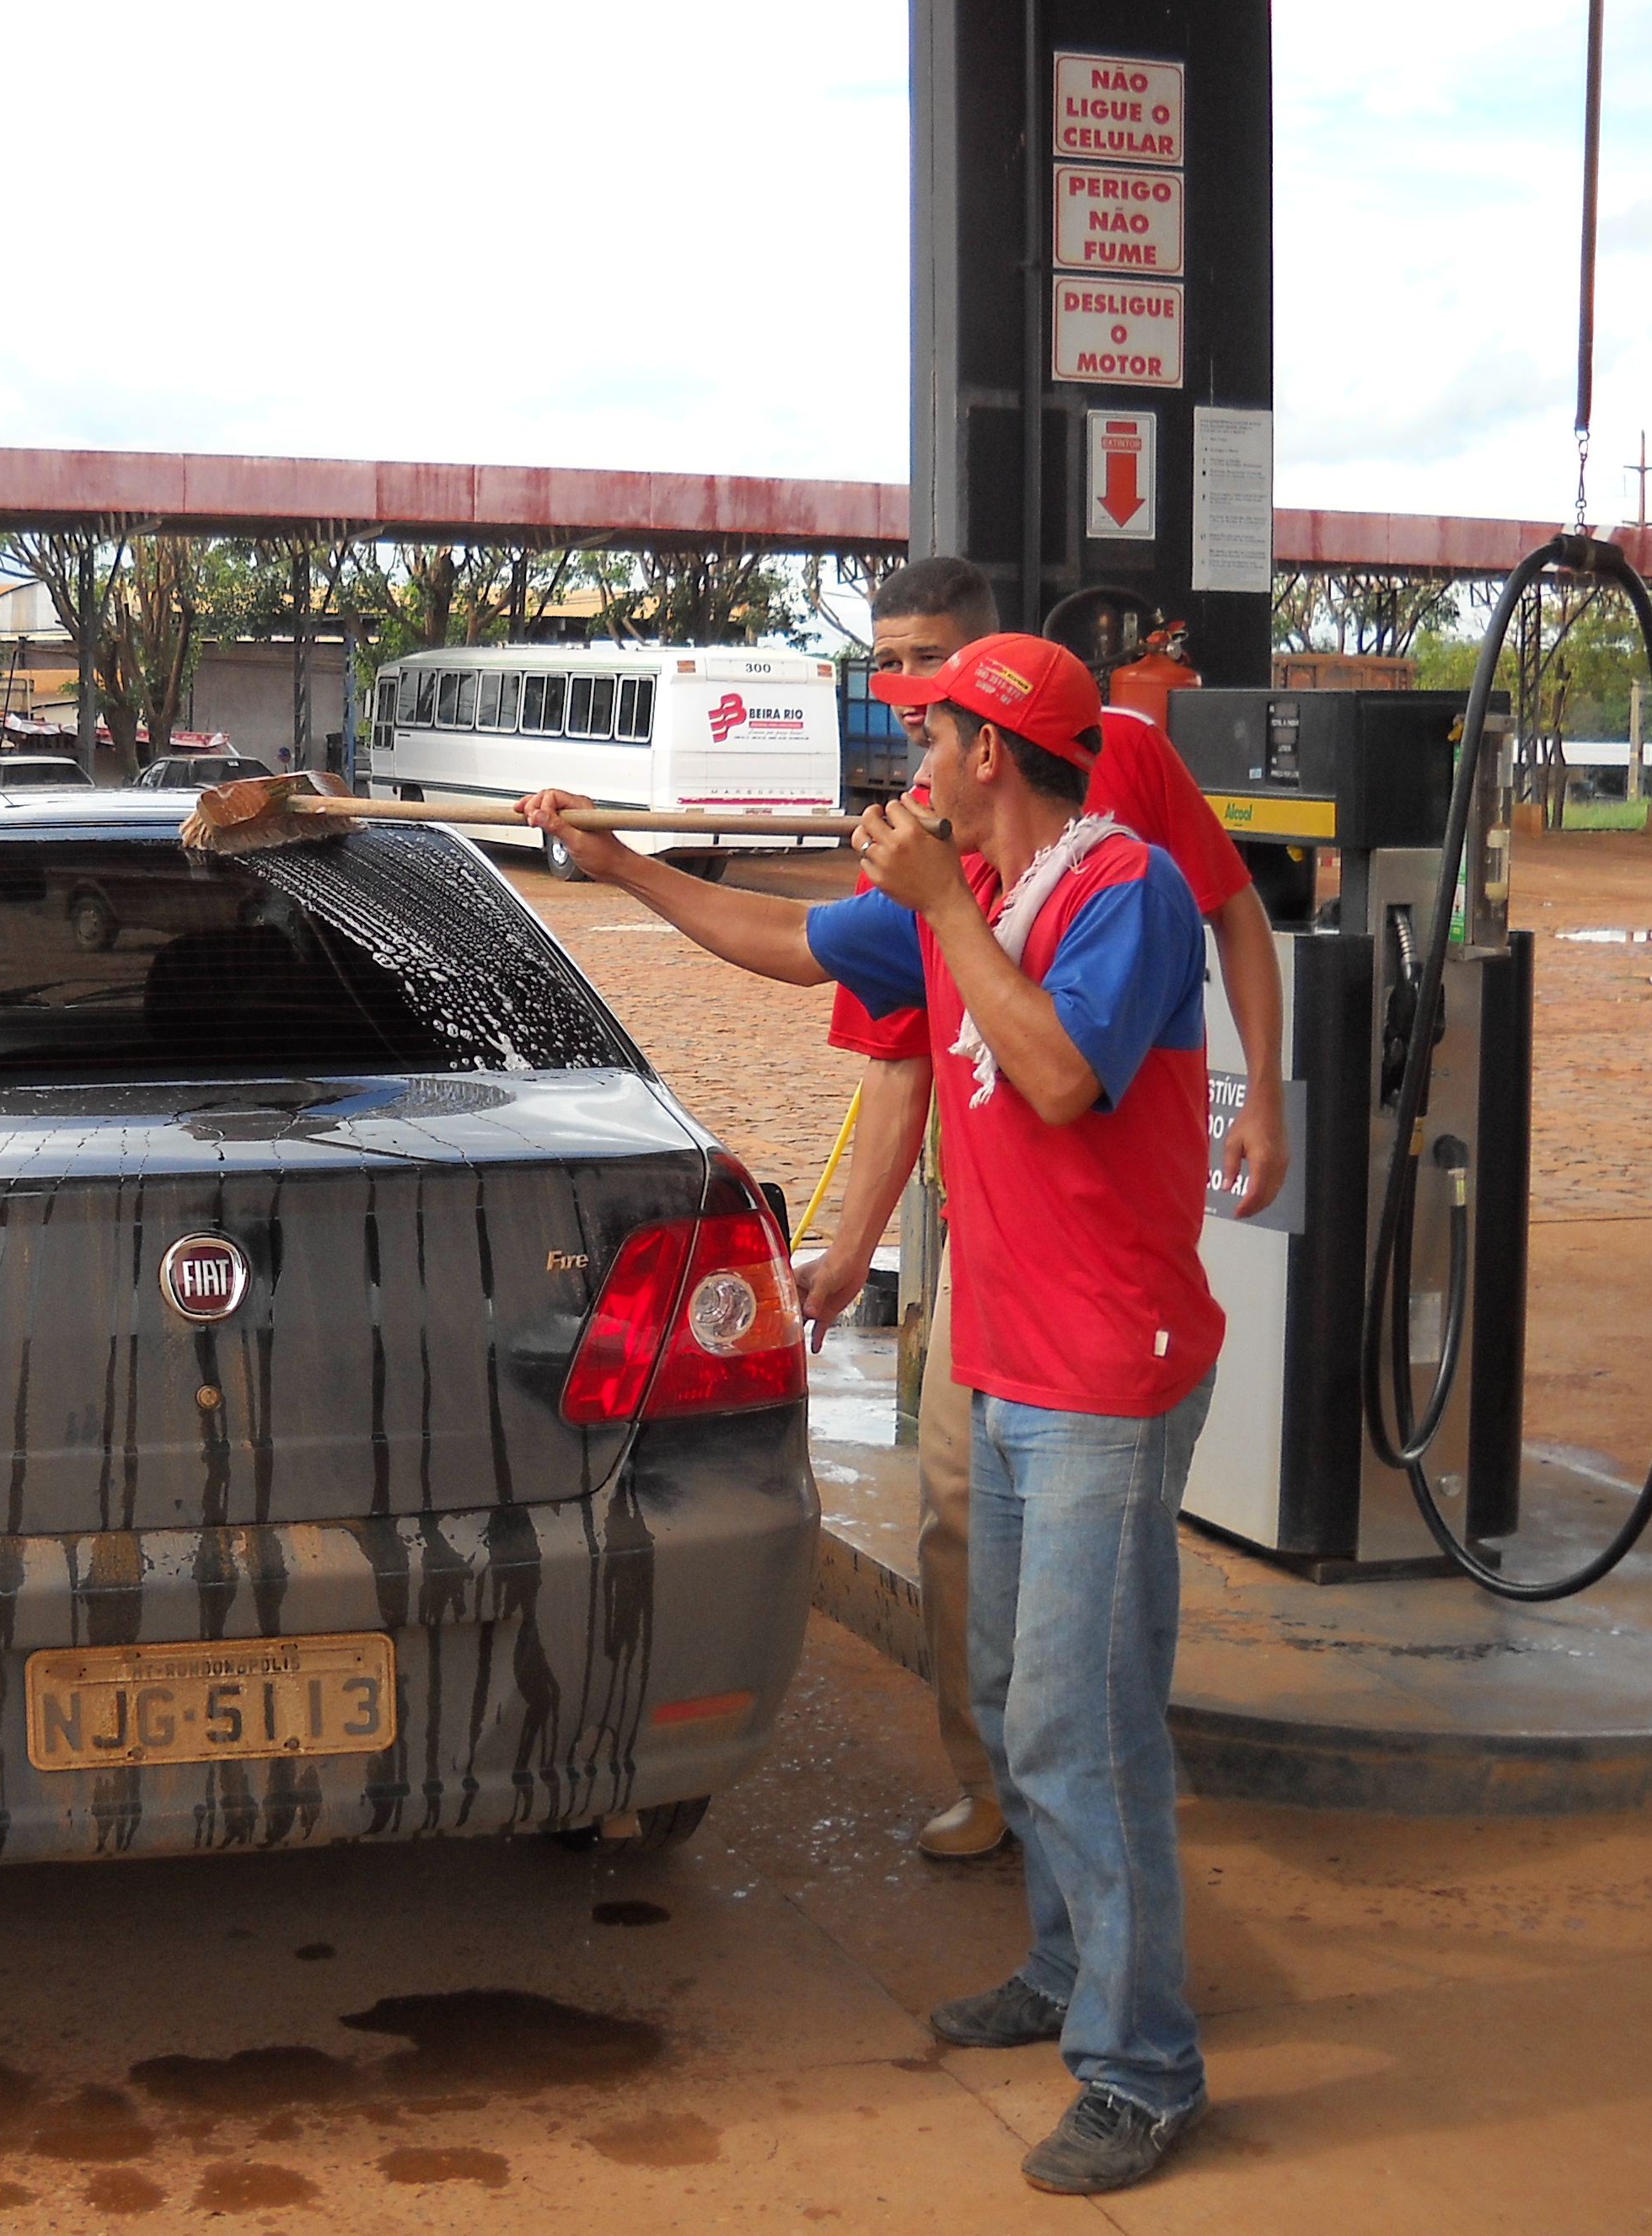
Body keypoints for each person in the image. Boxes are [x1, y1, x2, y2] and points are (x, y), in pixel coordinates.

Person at [517, 633, 1221, 2194]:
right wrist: (620, 863)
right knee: (1015, 1690)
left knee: (1081, 1722)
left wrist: (949, 911)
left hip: (1110, 1364)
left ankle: (1143, 2061)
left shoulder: (1124, 894)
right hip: (1018, 1359)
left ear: (995, 754)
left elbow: (1055, 1080)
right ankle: (1066, 1971)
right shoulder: (972, 904)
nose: (905, 763)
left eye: (928, 734)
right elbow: (775, 936)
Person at [801, 556, 1287, 1861]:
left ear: (995, 719)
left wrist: (1264, 1095)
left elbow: (1217, 924)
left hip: (1098, 1295)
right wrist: (614, 864)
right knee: (961, 1506)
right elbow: (897, 1030)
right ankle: (1007, 1792)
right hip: (1001, 1244)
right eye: (889, 668)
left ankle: (1124, 1998)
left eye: (922, 673)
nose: (901, 701)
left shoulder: (1116, 819)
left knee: (1093, 1693)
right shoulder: (939, 834)